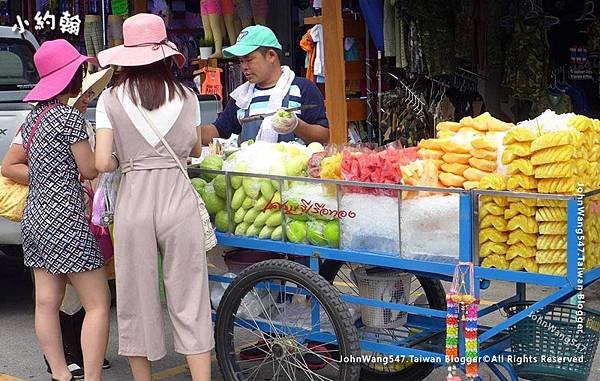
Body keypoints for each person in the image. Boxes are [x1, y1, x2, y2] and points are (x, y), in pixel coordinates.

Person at [94, 13, 213, 381]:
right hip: (177, 196)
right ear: (165, 55)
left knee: (136, 297)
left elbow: (102, 161)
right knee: (190, 294)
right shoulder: (187, 96)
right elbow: (194, 148)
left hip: (135, 201)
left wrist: (122, 158)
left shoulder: (110, 98)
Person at [1, 39, 110, 381]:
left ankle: (61, 375)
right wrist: (113, 159)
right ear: (73, 75)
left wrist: (47, 174)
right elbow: (91, 168)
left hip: (35, 220)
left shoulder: (32, 119)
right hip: (68, 221)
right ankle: (91, 377)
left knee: (46, 303)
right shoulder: (69, 118)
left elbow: (10, 165)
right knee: (98, 303)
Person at [200, 25, 330, 145]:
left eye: (249, 60)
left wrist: (296, 125)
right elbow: (218, 130)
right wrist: (188, 131)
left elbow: (324, 136)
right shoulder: (241, 97)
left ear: (271, 56)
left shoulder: (303, 88)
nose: (244, 67)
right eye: (241, 61)